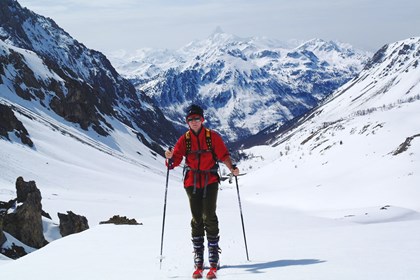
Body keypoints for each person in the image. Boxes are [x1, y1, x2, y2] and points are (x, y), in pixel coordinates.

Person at [165, 104, 239, 278]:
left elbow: (223, 155)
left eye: (197, 119)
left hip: (210, 180)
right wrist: (169, 159)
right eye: (191, 120)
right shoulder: (185, 139)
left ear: (202, 120)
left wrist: (232, 168)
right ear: (187, 122)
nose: (194, 122)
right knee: (197, 217)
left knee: (209, 215)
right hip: (191, 182)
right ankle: (199, 259)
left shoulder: (212, 137)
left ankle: (213, 258)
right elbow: (175, 159)